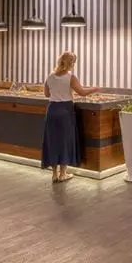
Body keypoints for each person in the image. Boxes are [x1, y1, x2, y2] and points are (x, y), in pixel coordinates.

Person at [42, 51, 100, 183]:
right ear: (71, 63)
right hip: (65, 111)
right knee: (65, 141)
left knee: (53, 141)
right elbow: (82, 92)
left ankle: (54, 174)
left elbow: (46, 94)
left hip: (52, 110)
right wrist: (95, 88)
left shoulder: (50, 76)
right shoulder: (71, 77)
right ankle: (63, 174)